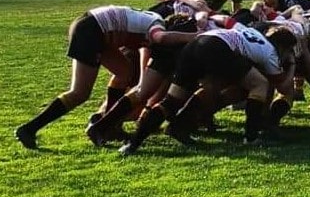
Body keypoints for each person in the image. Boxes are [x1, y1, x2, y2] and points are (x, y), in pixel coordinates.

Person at [14, 6, 197, 149]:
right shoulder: (157, 25)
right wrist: (194, 37)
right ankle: (29, 128)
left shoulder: (151, 22)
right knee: (79, 93)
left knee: (125, 73)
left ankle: (108, 126)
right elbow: (162, 38)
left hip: (94, 27)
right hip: (91, 30)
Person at [117, 25, 297, 155]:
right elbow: (282, 85)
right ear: (282, 47)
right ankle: (251, 137)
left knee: (171, 101)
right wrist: (292, 65)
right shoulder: (270, 51)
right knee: (260, 85)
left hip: (196, 45)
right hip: (217, 48)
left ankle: (134, 144)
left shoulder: (253, 33)